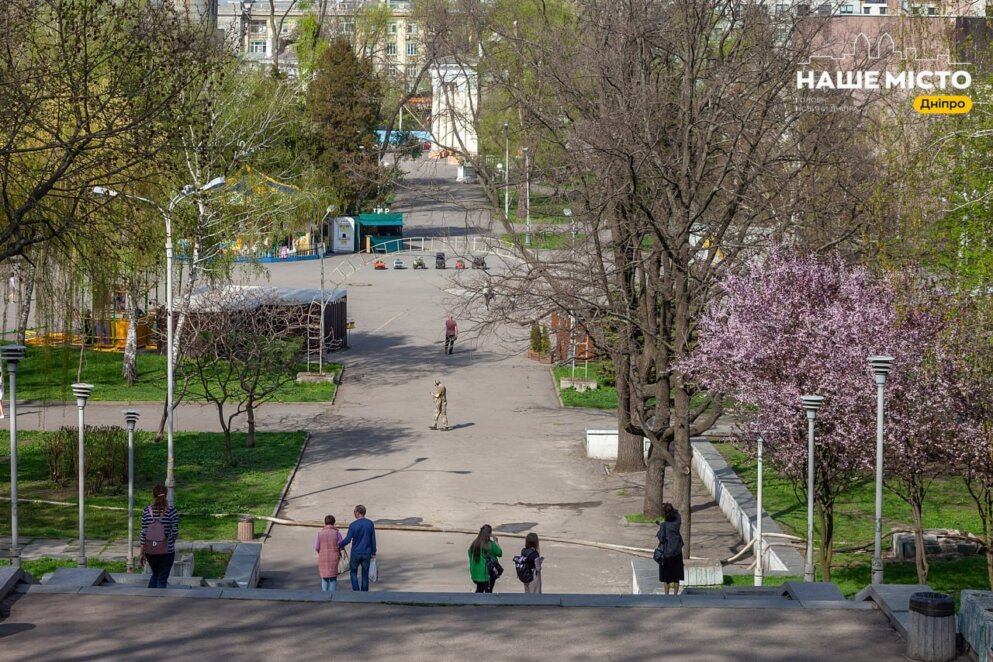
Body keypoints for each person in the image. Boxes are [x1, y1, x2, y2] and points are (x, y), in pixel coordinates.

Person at [139, 484, 179, 588]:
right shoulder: (172, 511)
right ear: (166, 495)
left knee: (155, 574)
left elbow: (143, 532)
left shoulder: (146, 511)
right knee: (162, 579)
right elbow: (174, 532)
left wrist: (142, 552)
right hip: (166, 551)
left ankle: (149, 599)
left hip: (150, 551)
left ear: (153, 495)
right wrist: (170, 542)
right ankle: (159, 600)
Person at [340, 504, 377, 591]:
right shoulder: (370, 524)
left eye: (354, 511)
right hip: (367, 552)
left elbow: (348, 539)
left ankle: (356, 591)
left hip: (356, 552)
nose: (354, 513)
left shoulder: (353, 525)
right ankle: (364, 593)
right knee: (365, 573)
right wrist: (373, 552)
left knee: (353, 572)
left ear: (358, 512)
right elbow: (373, 539)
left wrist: (339, 545)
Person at [657, 502, 684, 595]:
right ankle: (675, 595)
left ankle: (667, 595)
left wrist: (660, 529)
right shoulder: (678, 521)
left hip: (667, 554)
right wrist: (671, 509)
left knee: (666, 578)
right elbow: (677, 514)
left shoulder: (664, 525)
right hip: (677, 552)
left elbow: (661, 538)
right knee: (676, 577)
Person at [468, 524, 503, 593]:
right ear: (489, 534)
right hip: (487, 574)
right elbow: (500, 553)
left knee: (479, 590)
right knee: (488, 592)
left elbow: (469, 554)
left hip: (476, 573)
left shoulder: (474, 543)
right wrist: (496, 541)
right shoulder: (490, 544)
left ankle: (476, 603)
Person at [315, 514, 344, 592]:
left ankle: (324, 593)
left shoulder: (320, 533)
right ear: (333, 523)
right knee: (333, 577)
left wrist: (321, 553)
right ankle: (332, 594)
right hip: (334, 557)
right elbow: (341, 545)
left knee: (324, 577)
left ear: (325, 522)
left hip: (323, 557)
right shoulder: (337, 533)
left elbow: (317, 547)